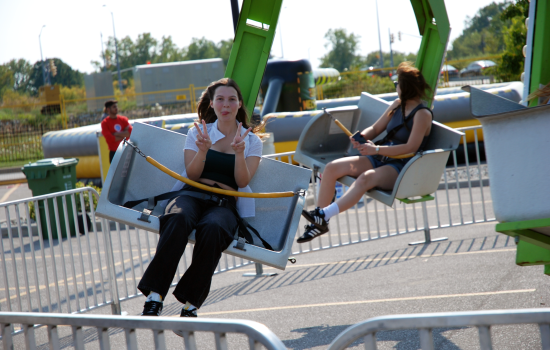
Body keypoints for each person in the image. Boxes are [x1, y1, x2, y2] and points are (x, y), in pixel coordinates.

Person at [137, 78, 264, 329]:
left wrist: (239, 153)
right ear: (212, 103)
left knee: (215, 228)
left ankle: (190, 303)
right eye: (220, 99)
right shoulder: (198, 132)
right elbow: (192, 175)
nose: (225, 104)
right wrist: (203, 151)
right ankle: (155, 296)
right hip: (191, 194)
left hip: (224, 202)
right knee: (178, 217)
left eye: (231, 99)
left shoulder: (252, 141)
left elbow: (242, 181)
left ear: (239, 104)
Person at [297, 62, 433, 243]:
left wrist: (375, 149)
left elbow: (411, 148)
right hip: (380, 157)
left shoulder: (422, 114)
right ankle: (319, 223)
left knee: (365, 179)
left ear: (406, 87)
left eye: (398, 84)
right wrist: (361, 136)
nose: (396, 87)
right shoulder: (396, 105)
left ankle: (324, 213)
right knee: (331, 168)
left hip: (400, 165)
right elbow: (376, 128)